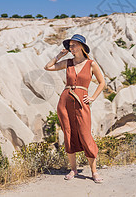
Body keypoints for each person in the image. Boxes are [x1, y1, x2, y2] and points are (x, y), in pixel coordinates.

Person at [44, 34, 106, 183]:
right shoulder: (68, 62)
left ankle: (94, 171)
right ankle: (73, 169)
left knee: (85, 135)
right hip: (65, 102)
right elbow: (48, 67)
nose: (70, 48)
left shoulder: (91, 64)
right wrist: (59, 55)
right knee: (68, 134)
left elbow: (102, 82)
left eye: (73, 45)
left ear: (81, 46)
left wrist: (92, 97)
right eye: (69, 46)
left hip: (81, 102)